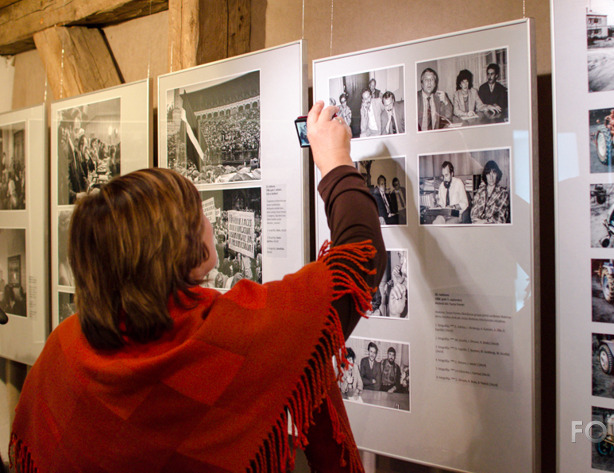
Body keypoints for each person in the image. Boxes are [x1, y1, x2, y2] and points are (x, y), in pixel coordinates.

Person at [10, 100, 386, 473]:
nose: (208, 222)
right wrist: (335, 161)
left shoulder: (63, 348)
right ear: (174, 246)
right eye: (198, 214)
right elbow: (359, 261)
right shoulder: (222, 339)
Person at [470, 160, 510, 224]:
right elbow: (473, 214)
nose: (491, 177)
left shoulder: (503, 193)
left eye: (493, 173)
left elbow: (501, 218)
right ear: (485, 175)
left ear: (497, 175)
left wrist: (484, 221)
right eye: (488, 174)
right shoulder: (481, 191)